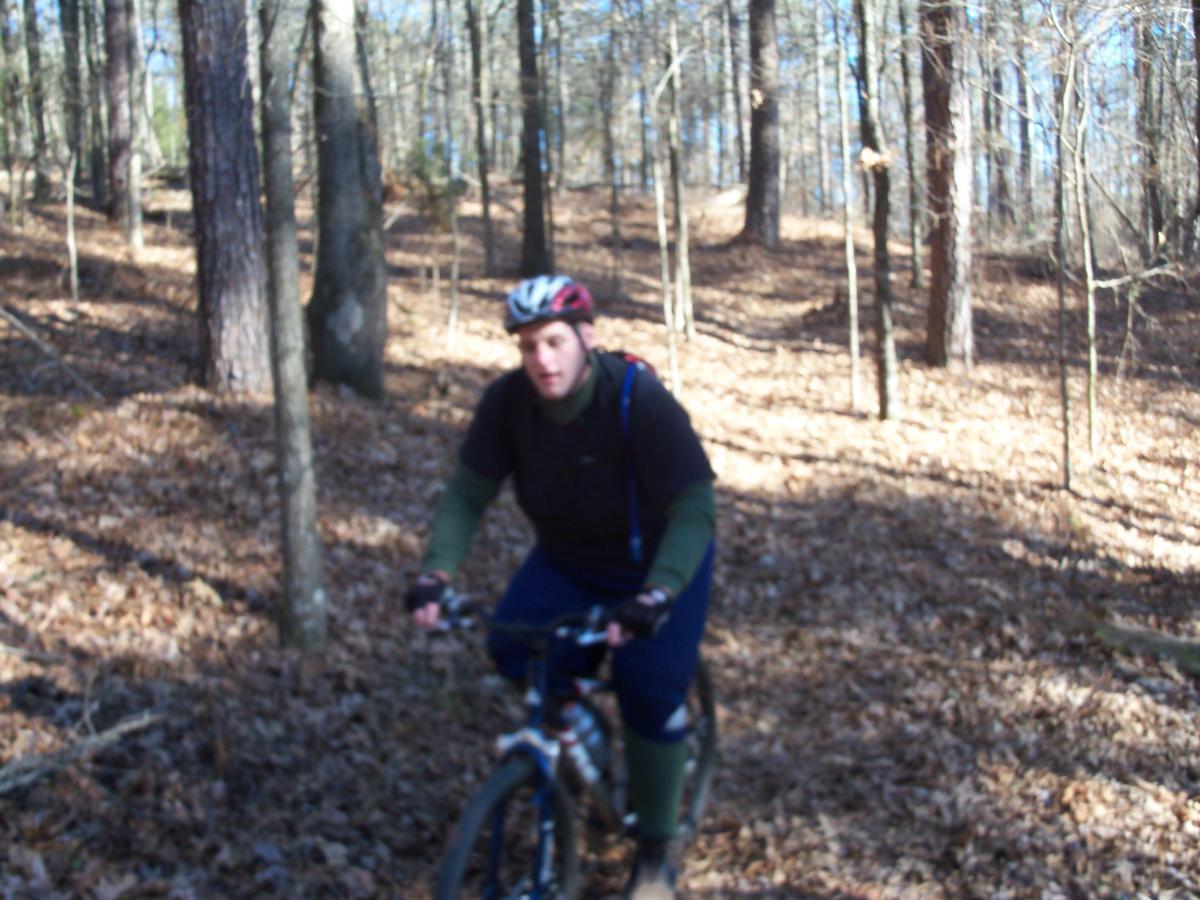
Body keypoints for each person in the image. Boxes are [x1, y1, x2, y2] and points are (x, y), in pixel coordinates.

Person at [406, 274, 716, 899]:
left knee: (648, 690)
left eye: (553, 342)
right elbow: (469, 493)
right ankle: (575, 744)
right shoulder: (508, 404)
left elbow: (694, 506)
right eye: (527, 347)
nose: (541, 360)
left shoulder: (636, 399)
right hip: (569, 563)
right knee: (514, 648)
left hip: (657, 565)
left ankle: (655, 852)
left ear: (586, 338)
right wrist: (435, 573)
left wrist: (658, 594)